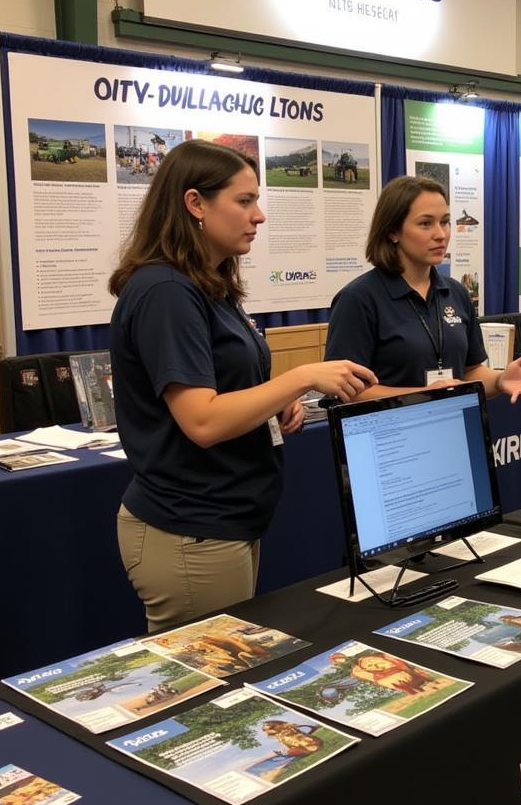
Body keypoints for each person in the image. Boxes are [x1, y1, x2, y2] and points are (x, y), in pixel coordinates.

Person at [109, 139, 376, 631]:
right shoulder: (166, 291)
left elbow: (222, 389)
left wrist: (274, 403)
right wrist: (300, 377)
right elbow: (203, 420)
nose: (260, 216)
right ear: (195, 204)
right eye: (245, 200)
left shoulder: (208, 284)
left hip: (225, 521)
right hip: (190, 528)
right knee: (208, 689)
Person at [325, 175, 521, 404]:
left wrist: (499, 379)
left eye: (444, 221)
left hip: (457, 427)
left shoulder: (456, 292)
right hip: (390, 435)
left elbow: (471, 372)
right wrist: (423, 396)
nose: (441, 234)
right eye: (426, 223)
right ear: (392, 232)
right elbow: (347, 392)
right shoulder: (358, 299)